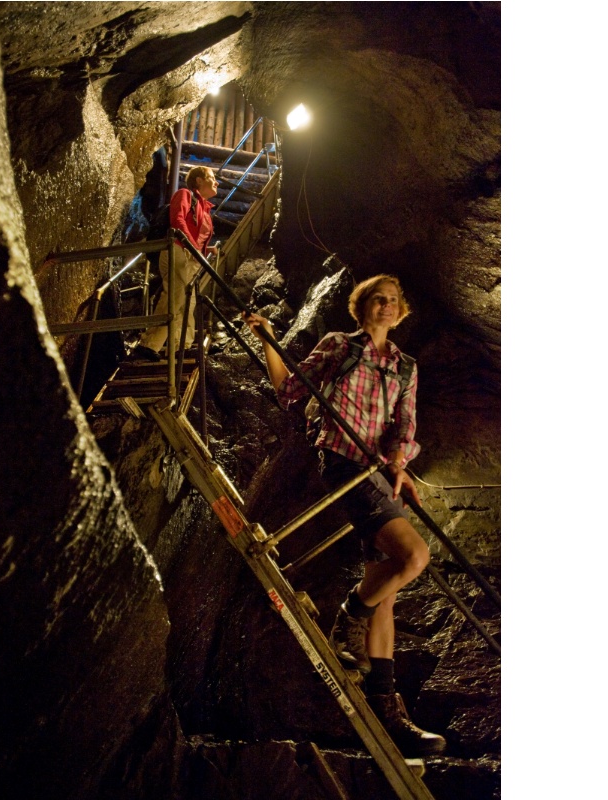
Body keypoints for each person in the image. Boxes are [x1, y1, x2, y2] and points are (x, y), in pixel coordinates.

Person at [242, 275, 446, 757]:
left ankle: (389, 713)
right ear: (361, 307)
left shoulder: (405, 368)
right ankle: (348, 617)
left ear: (401, 311)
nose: (386, 306)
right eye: (378, 298)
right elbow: (290, 389)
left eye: (393, 301)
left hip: (375, 474)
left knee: (388, 592)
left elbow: (405, 427)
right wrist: (269, 339)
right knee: (415, 555)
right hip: (341, 462)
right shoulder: (339, 346)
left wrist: (399, 464)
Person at [131, 165, 220, 360]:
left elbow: (198, 234)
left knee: (189, 301)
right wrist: (191, 246)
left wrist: (206, 249)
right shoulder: (185, 194)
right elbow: (177, 219)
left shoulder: (204, 207)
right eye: (212, 177)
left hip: (192, 256)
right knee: (176, 296)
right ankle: (148, 344)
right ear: (199, 180)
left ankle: (182, 346)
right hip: (179, 249)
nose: (217, 181)